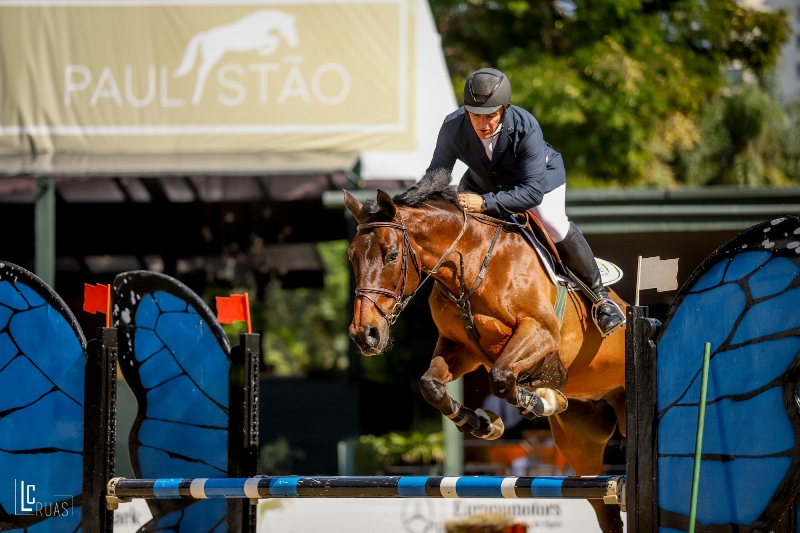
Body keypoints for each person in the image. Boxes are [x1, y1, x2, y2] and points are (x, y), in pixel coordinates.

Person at [427, 67, 625, 337]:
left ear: (505, 109)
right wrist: (409, 202)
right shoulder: (453, 126)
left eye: (490, 115)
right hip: (485, 182)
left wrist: (484, 203)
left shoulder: (526, 125)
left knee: (552, 222)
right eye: (474, 115)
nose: (482, 124)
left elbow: (531, 193)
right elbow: (437, 174)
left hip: (536, 181)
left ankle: (602, 299)